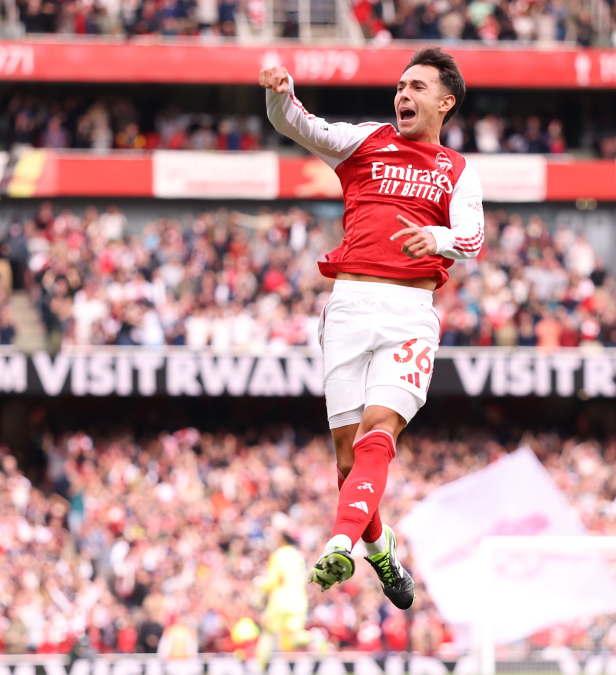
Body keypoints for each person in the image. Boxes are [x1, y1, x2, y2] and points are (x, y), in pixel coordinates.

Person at [260, 47, 483, 610]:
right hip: (350, 307)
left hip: (410, 314)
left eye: (417, 87)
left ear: (445, 101)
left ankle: (340, 542)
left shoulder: (457, 170)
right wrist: (279, 92)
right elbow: (296, 124)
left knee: (378, 434)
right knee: (345, 458)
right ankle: (380, 550)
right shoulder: (366, 140)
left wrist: (434, 239)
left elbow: (474, 239)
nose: (403, 94)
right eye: (400, 85)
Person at [254, 532, 310, 668]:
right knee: (296, 636)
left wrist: (259, 587)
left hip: (281, 600)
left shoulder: (279, 554)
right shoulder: (299, 557)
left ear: (283, 540)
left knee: (267, 631)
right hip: (299, 601)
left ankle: (260, 668)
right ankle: (318, 640)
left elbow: (272, 580)